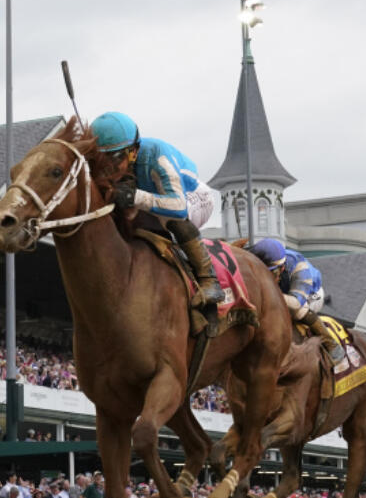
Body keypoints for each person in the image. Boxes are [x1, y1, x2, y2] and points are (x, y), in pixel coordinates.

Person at [90, 111, 223, 306]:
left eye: (115, 158)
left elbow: (178, 206)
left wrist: (135, 197)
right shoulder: (121, 161)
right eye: (102, 160)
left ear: (133, 151)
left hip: (193, 198)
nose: (109, 166)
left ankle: (209, 280)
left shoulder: (157, 156)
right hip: (158, 200)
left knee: (170, 219)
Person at [249, 237, 344, 363]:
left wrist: (268, 294)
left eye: (269, 273)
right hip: (282, 292)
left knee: (297, 311)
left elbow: (296, 303)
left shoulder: (300, 268)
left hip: (310, 294)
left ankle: (332, 345)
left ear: (281, 268)